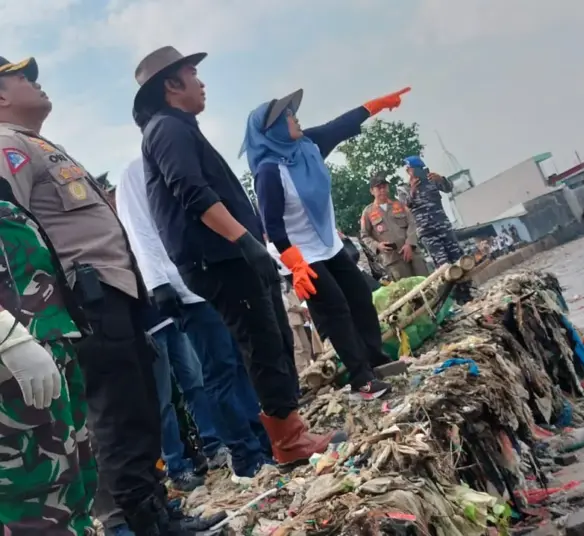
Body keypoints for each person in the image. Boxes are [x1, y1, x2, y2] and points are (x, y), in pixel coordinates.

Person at [0, 54, 220, 534]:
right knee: (118, 419)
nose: (36, 84)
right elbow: (11, 233)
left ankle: (156, 511)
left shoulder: (40, 145)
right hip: (85, 301)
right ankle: (134, 523)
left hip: (115, 293)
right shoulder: (6, 146)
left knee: (139, 408)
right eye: (22, 77)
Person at [134, 46, 343, 467]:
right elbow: (191, 192)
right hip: (219, 258)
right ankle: (287, 442)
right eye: (192, 74)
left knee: (275, 339)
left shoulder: (180, 128)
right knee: (260, 343)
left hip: (230, 256)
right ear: (172, 85)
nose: (201, 82)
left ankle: (290, 432)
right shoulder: (166, 130)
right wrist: (243, 241)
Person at [242, 87, 411, 399]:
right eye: (289, 115)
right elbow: (273, 228)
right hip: (295, 251)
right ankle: (361, 380)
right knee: (334, 307)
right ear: (273, 129)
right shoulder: (268, 172)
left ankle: (375, 359)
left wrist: (375, 105)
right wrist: (296, 266)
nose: (295, 118)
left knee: (360, 296)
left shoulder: (307, 146)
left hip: (326, 242)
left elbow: (340, 126)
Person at [116, 155, 272, 481]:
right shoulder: (135, 172)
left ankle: (263, 440)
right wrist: (158, 282)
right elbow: (139, 230)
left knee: (242, 363)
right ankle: (245, 456)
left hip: (217, 279)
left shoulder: (182, 163)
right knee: (219, 372)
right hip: (186, 286)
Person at [0, 180, 95, 534]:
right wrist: (5, 336)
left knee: (75, 485)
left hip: (45, 339)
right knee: (34, 505)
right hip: (11, 363)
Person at [400, 156, 473, 304]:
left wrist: (441, 179)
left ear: (420, 169)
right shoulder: (404, 189)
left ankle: (467, 293)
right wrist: (413, 190)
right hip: (427, 233)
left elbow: (449, 188)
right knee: (444, 265)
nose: (411, 172)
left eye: (413, 169)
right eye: (409, 170)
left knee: (457, 259)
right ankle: (454, 297)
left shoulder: (432, 180)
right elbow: (405, 207)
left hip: (443, 227)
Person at [361, 172, 429, 282]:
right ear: (372, 191)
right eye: (378, 188)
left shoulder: (399, 205)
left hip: (413, 253)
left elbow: (412, 223)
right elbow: (364, 236)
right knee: (407, 292)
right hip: (393, 259)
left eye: (384, 187)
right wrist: (378, 245)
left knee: (427, 284)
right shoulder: (368, 212)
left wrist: (409, 244)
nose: (382, 190)